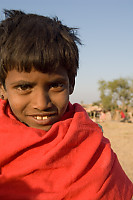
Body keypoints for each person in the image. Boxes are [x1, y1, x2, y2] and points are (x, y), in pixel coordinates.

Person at [0, 9, 132, 200]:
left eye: (55, 85)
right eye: (24, 87)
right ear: (2, 88)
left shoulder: (91, 144)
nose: (41, 103)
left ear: (71, 84)